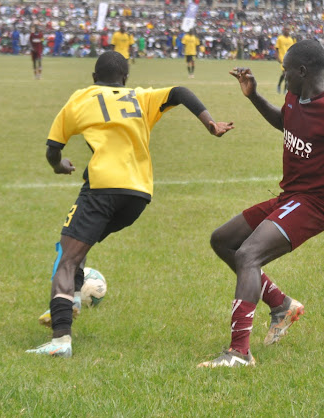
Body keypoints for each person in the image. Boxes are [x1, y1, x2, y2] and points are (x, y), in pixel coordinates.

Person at [27, 51, 234, 358]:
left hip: (102, 189)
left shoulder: (81, 98)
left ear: (93, 77)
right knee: (78, 245)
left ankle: (61, 339)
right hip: (137, 195)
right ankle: (72, 298)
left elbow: (52, 150)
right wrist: (209, 122)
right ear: (125, 79)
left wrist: (60, 166)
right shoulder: (140, 98)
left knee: (67, 256)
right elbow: (179, 92)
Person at [197, 40, 324, 368]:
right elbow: (285, 121)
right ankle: (281, 305)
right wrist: (253, 95)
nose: (283, 75)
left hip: (315, 203)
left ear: (302, 70)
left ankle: (239, 353)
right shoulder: (295, 97)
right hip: (290, 197)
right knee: (223, 240)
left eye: (285, 70)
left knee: (248, 254)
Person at [275, 26, 295, 94]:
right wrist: (277, 57)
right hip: (282, 58)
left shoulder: (290, 39)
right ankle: (282, 87)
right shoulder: (280, 38)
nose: (287, 31)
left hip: (289, 59)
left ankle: (283, 88)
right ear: (283, 30)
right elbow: (277, 48)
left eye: (288, 30)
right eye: (286, 29)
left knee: (287, 74)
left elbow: (292, 49)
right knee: (285, 74)